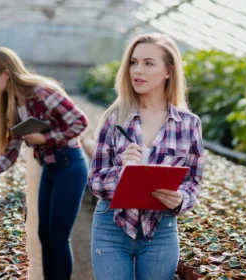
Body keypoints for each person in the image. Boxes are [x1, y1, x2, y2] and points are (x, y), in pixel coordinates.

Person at [0, 47, 89, 280]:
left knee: (58, 236)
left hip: (69, 166)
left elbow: (80, 122)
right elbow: (11, 151)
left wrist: (45, 139)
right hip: (50, 168)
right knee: (44, 235)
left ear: (5, 73)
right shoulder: (14, 104)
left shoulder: (42, 92)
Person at [88, 33, 205, 279]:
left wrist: (180, 199)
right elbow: (95, 181)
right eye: (133, 62)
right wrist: (123, 169)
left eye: (148, 63)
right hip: (112, 225)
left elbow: (193, 181)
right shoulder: (115, 116)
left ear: (168, 71)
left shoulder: (188, 123)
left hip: (161, 230)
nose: (137, 70)